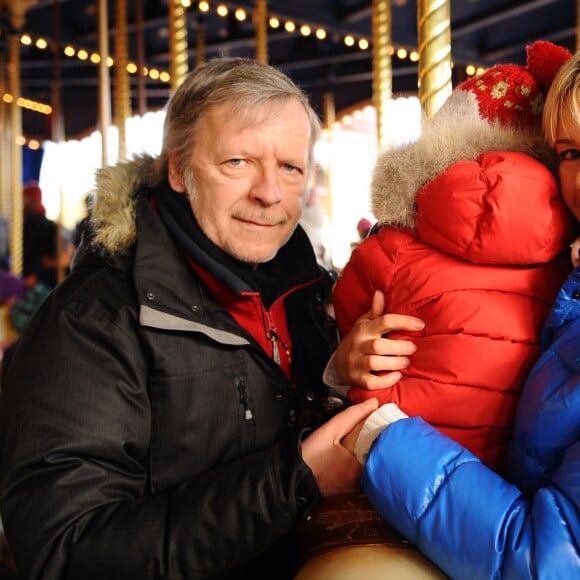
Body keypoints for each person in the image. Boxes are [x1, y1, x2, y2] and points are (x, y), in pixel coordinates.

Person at [0, 57, 420, 580]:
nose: (270, 193)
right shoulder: (93, 321)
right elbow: (67, 552)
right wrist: (294, 481)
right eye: (238, 162)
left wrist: (338, 375)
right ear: (178, 168)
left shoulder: (308, 296)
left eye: (290, 168)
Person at [344, 44, 580, 578]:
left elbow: (544, 563)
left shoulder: (395, 244)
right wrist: (347, 362)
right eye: (570, 154)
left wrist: (385, 437)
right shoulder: (565, 276)